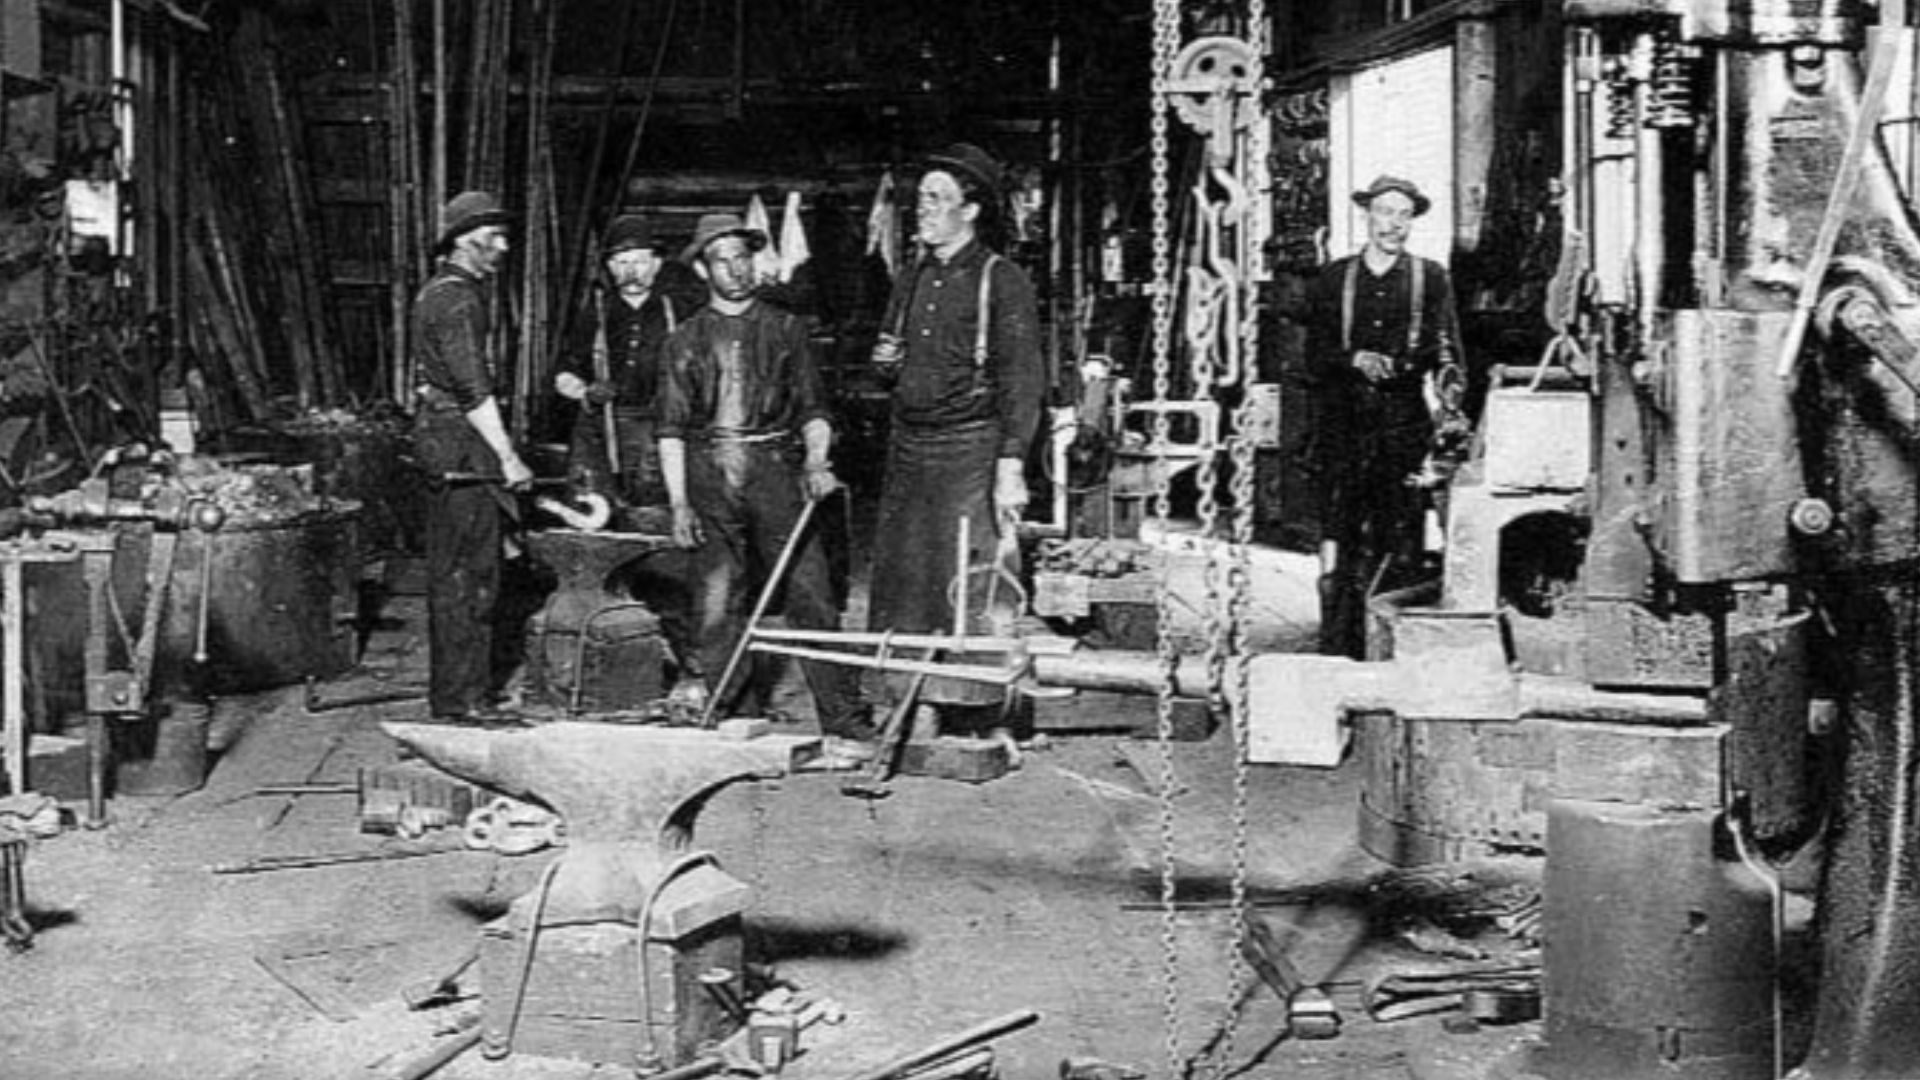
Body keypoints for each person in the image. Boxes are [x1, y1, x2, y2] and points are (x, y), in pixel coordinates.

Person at [656, 212, 874, 752]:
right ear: (704, 271)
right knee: (716, 599)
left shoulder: (786, 328)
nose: (735, 269)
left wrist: (817, 461)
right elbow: (671, 430)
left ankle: (843, 719)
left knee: (813, 596)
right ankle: (732, 713)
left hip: (777, 468)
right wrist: (679, 503)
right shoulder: (684, 340)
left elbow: (813, 408)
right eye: (721, 260)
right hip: (711, 472)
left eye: (742, 257)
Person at [865, 142, 1046, 732]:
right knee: (904, 581)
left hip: (970, 447)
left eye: (938, 199)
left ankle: (971, 705)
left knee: (968, 582)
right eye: (922, 199)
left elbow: (1023, 378)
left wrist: (1011, 463)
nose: (924, 209)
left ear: (970, 211)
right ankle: (907, 700)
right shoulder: (912, 276)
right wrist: (887, 363)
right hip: (908, 445)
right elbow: (888, 365)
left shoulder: (1003, 279)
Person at [1304, 174, 1470, 659]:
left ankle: (1391, 644)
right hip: (1342, 422)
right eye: (1384, 213)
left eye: (1403, 215)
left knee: (1401, 531)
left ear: (1411, 221)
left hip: (1403, 423)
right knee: (1340, 531)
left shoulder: (1430, 277)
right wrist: (1352, 359)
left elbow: (1448, 350)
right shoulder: (1335, 278)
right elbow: (1313, 353)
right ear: (1367, 216)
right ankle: (1337, 643)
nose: (1393, 224)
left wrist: (1451, 401)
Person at [410, 190, 534, 725]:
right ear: (466, 240)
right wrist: (508, 457)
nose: (503, 247)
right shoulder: (459, 299)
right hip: (463, 447)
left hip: (445, 440)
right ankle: (464, 703)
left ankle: (458, 696)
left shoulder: (436, 292)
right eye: (494, 237)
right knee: (471, 575)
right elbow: (472, 387)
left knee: (459, 571)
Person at [555, 213, 681, 506]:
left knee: (655, 513)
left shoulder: (675, 311)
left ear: (656, 264)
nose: (631, 271)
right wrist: (585, 391)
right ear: (611, 268)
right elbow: (564, 371)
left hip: (659, 431)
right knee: (595, 514)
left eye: (639, 261)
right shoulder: (595, 312)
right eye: (622, 262)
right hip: (601, 430)